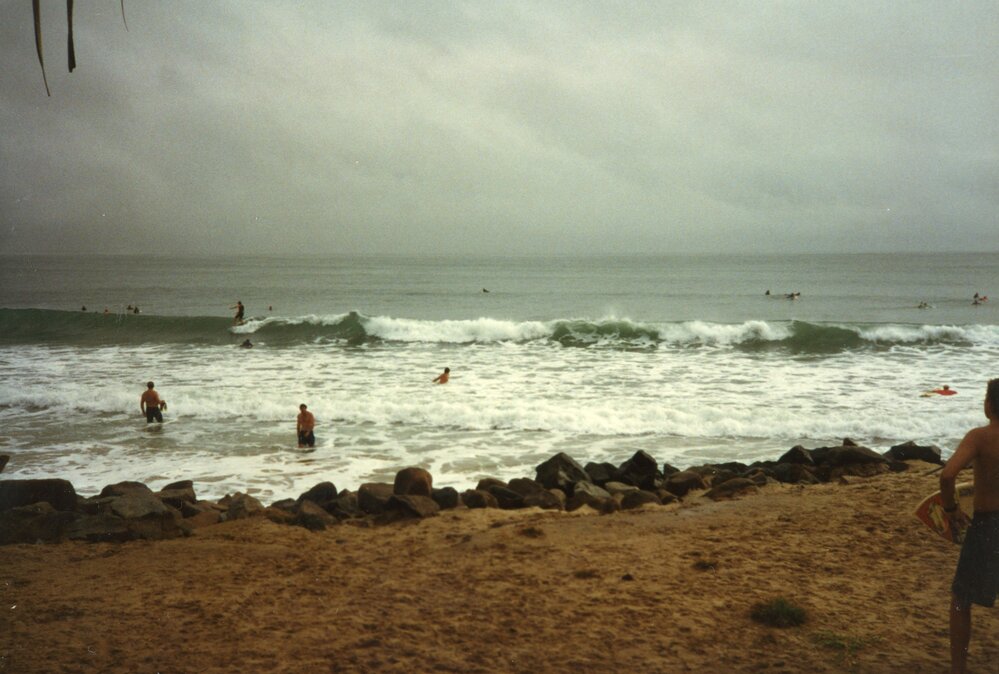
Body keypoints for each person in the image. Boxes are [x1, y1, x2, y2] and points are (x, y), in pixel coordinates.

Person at [940, 378, 999, 674]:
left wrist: (951, 509)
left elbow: (948, 476)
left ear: (988, 405)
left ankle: (959, 669)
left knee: (962, 599)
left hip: (989, 527)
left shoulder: (979, 437)